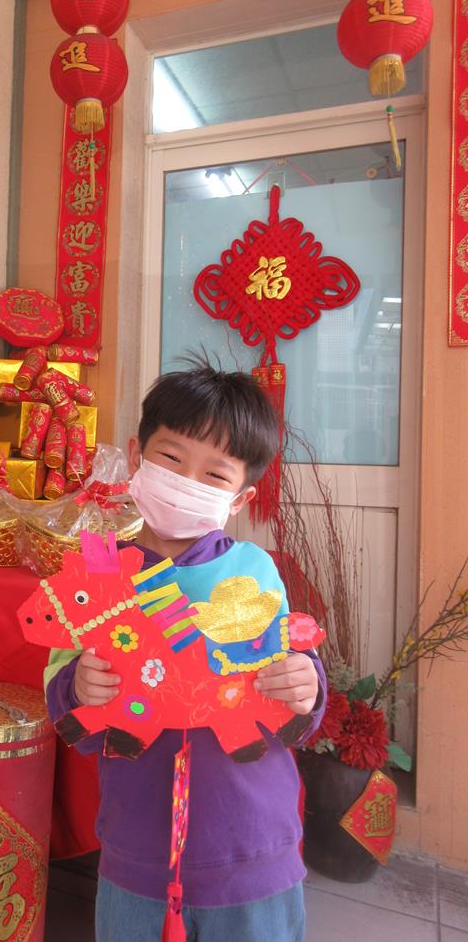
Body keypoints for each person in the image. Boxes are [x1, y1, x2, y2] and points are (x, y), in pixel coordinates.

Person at [44, 360, 327, 942]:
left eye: (214, 475)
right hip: (135, 855)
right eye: (171, 458)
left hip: (252, 851)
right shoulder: (97, 574)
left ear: (241, 498)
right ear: (137, 455)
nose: (186, 481)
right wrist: (78, 686)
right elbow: (65, 705)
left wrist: (307, 682)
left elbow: (290, 673)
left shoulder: (254, 571)